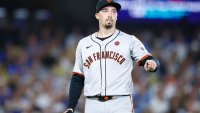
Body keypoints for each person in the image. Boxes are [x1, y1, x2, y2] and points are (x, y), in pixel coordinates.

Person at [63, 0, 160, 113]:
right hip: (93, 104)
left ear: (117, 16)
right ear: (97, 16)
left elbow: (148, 59)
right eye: (105, 11)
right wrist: (70, 106)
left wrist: (151, 64)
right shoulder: (83, 44)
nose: (110, 14)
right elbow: (77, 78)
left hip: (120, 103)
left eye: (113, 11)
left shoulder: (129, 40)